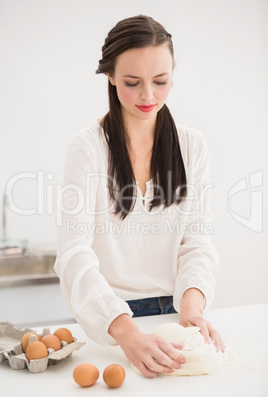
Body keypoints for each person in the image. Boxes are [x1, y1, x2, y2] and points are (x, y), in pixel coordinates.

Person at [54, 15, 225, 378]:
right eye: (132, 83)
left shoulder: (192, 146)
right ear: (110, 76)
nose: (149, 96)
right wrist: (127, 332)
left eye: (161, 81)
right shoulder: (87, 149)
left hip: (172, 318)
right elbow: (74, 254)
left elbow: (196, 241)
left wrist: (192, 312)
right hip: (111, 329)